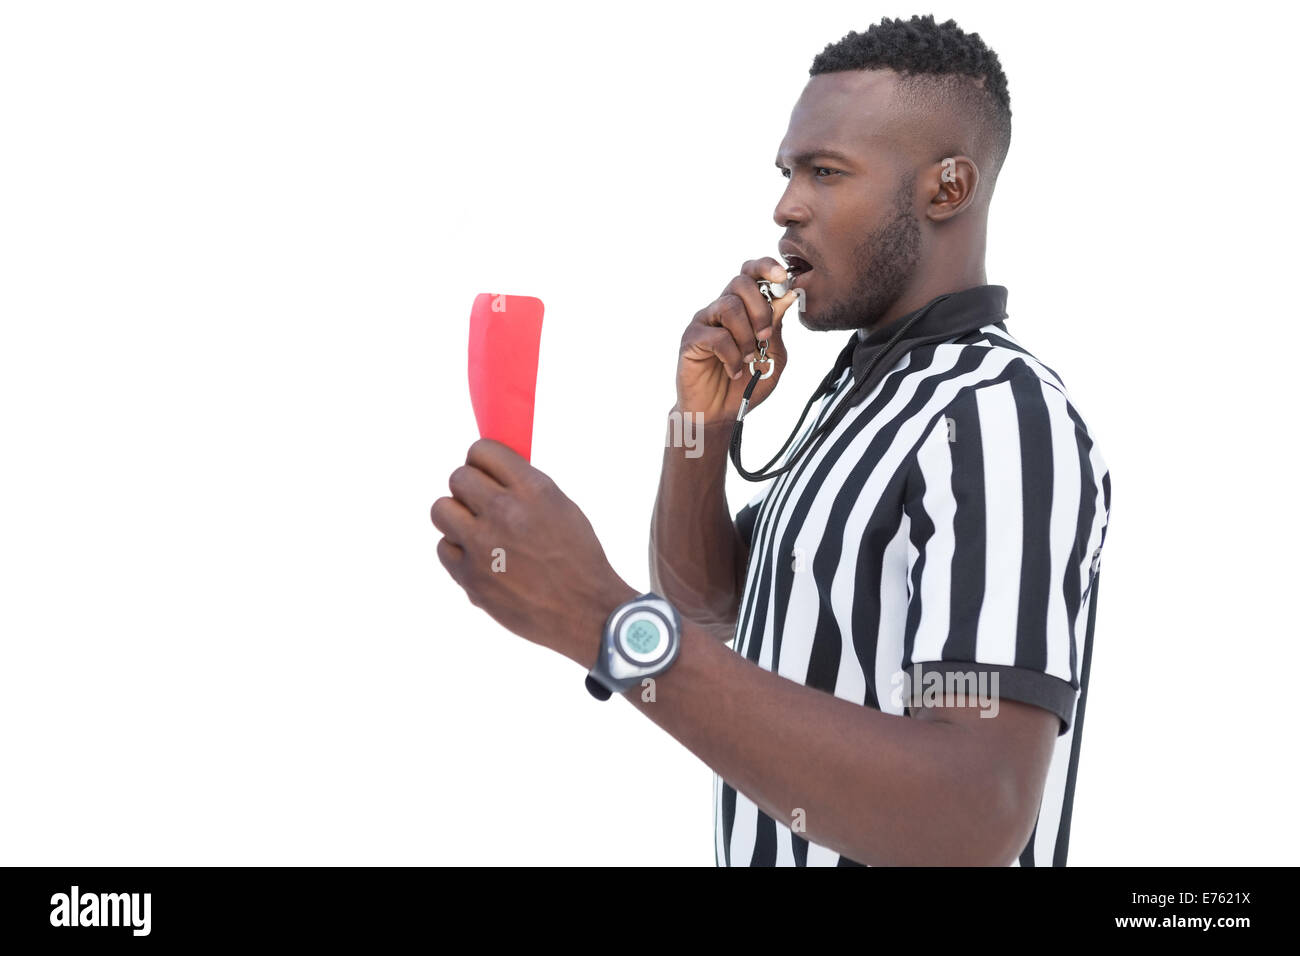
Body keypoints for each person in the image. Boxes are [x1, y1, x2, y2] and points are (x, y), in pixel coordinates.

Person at [431, 14, 1111, 866]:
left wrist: (602, 618)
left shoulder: (996, 413)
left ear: (948, 188)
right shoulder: (859, 393)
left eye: (826, 172)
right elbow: (714, 619)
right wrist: (700, 431)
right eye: (790, 171)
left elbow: (974, 809)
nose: (786, 205)